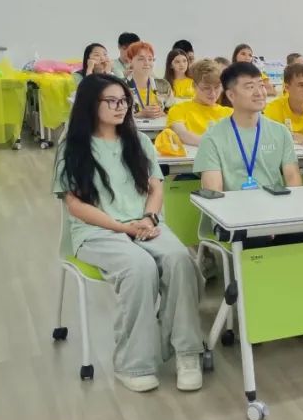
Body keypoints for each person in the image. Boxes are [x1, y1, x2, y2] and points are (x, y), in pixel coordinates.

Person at [53, 74, 203, 393]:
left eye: (123, 101)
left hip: (144, 223)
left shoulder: (139, 142)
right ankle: (133, 362)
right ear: (90, 105)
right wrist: (122, 228)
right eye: (111, 101)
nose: (120, 107)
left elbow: (156, 188)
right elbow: (75, 205)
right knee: (139, 268)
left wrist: (149, 217)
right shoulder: (73, 147)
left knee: (180, 260)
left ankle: (187, 352)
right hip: (97, 230)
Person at [194, 62, 303, 247]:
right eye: (249, 87)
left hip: (276, 211)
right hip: (233, 217)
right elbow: (214, 193)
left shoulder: (280, 132)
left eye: (260, 85)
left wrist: (283, 217)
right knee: (257, 238)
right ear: (231, 95)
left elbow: (293, 179)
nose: (259, 92)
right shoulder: (213, 138)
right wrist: (259, 221)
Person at [166, 60, 232, 146]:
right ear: (194, 86)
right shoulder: (178, 110)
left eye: (217, 87)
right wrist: (215, 144)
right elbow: (182, 134)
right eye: (206, 88)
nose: (213, 93)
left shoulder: (230, 113)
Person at [125, 42, 172, 119]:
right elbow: (113, 116)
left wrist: (162, 114)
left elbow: (174, 113)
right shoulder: (121, 86)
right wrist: (139, 115)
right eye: (141, 59)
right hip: (132, 127)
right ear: (130, 61)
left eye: (150, 59)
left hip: (161, 126)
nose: (147, 63)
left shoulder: (163, 85)